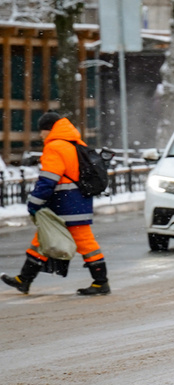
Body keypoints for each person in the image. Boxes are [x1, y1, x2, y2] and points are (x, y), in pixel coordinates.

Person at [1, 112, 110, 295]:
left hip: (65, 204)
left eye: (41, 131)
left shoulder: (55, 147)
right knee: (42, 239)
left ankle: (101, 282)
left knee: (85, 243)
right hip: (77, 202)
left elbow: (48, 179)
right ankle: (24, 279)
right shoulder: (75, 144)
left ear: (48, 129)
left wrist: (34, 202)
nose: (40, 135)